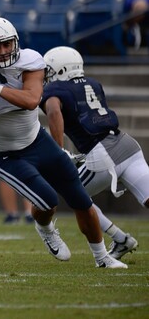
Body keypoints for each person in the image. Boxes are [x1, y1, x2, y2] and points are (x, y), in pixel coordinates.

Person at [0, 17, 126, 269]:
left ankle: (102, 257)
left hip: (37, 141)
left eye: (6, 44)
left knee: (81, 199)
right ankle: (45, 228)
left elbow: (31, 100)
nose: (2, 52)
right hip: (4, 154)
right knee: (47, 200)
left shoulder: (30, 60)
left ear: (15, 43)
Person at [41, 46, 147, 260]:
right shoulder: (93, 84)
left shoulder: (55, 90)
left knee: (76, 196)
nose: (47, 77)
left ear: (60, 70)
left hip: (103, 153)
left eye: (49, 71)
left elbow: (53, 109)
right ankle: (120, 240)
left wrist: (58, 149)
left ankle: (120, 239)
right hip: (127, 144)